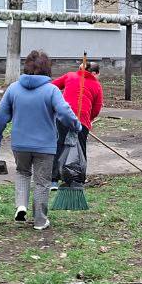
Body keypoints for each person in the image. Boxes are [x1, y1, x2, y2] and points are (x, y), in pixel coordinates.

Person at [0, 50, 80, 231]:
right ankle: (40, 220)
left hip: (20, 144)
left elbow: (0, 118)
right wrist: (76, 125)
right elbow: (64, 112)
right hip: (45, 146)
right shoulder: (51, 90)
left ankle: (21, 206)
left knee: (22, 173)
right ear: (47, 69)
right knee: (42, 181)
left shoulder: (13, 89)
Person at [50, 61, 104, 189]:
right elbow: (96, 108)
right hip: (82, 120)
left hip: (63, 116)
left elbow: (52, 87)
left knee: (60, 145)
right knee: (80, 149)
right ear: (95, 73)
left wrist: (57, 104)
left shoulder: (70, 76)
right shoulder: (97, 85)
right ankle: (78, 179)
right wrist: (88, 120)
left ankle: (53, 180)